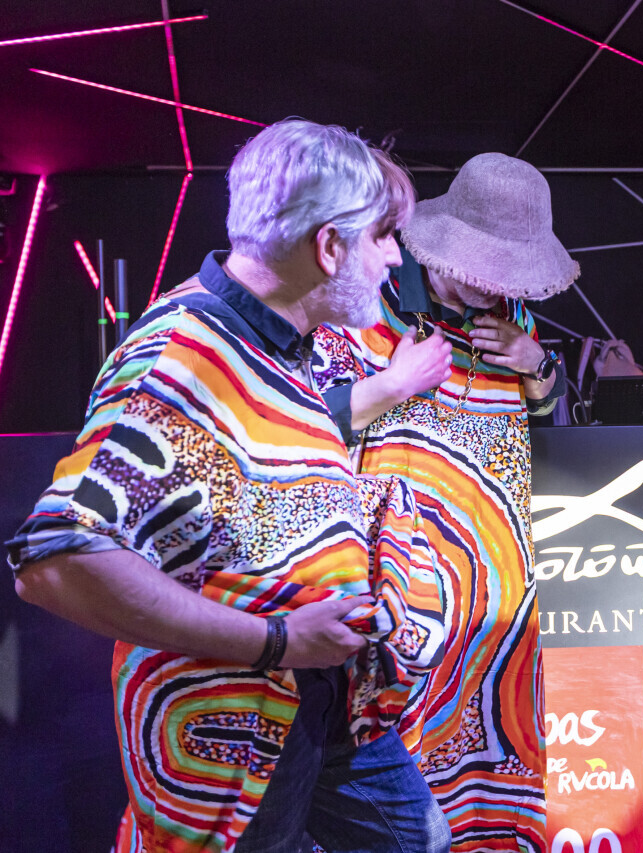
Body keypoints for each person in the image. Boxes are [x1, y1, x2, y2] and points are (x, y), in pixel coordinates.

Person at [7, 119, 455, 853]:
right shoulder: (185, 358)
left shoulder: (279, 338)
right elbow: (56, 562)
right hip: (236, 730)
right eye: (382, 236)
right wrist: (278, 640)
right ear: (329, 246)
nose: (394, 258)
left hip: (324, 703)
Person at [313, 152, 577, 851]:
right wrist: (396, 382)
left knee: (498, 754)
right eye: (486, 266)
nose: (496, 284)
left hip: (498, 596)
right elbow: (306, 422)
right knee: (395, 767)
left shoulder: (512, 318)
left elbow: (552, 414)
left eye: (509, 272)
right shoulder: (368, 302)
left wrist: (538, 364)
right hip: (402, 584)